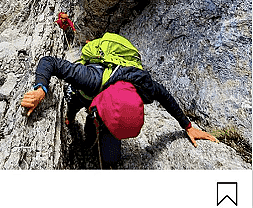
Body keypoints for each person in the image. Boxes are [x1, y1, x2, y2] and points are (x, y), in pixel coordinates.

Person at [21, 50, 219, 169]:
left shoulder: (144, 88)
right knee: (74, 103)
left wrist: (188, 126)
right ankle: (70, 119)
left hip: (109, 105)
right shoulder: (87, 78)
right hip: (85, 93)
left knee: (110, 158)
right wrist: (41, 89)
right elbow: (49, 62)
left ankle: (95, 144)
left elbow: (165, 96)